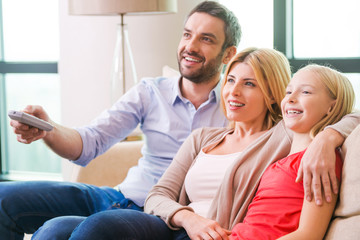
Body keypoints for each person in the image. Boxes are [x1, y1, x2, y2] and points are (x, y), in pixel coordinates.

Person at [0, 1, 241, 239]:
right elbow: (88, 143)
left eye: (206, 39)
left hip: (164, 216)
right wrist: (48, 130)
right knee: (4, 198)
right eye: (187, 34)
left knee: (61, 230)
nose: (190, 46)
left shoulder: (238, 107)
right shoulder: (151, 91)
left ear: (228, 54)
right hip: (119, 198)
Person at [230, 64, 355, 239]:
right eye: (288, 92)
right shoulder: (278, 160)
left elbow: (309, 234)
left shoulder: (320, 161)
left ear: (331, 108)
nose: (291, 98)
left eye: (305, 92)